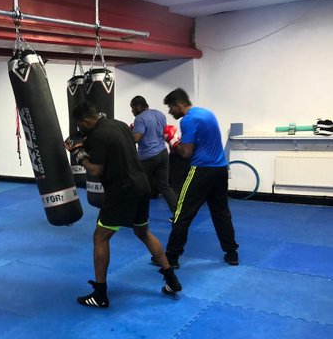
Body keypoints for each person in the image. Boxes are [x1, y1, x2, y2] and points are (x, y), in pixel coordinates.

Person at [65, 102, 181, 308]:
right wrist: (84, 144)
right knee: (143, 232)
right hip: (142, 185)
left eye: (80, 125)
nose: (80, 129)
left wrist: (79, 155)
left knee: (100, 237)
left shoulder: (99, 135)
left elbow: (95, 170)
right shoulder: (118, 125)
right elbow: (112, 147)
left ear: (84, 121)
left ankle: (100, 295)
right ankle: (171, 280)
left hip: (122, 191)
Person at [162, 88, 239, 269]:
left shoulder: (188, 120)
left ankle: (171, 257)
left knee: (182, 214)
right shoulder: (207, 113)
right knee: (221, 213)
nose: (170, 112)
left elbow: (186, 152)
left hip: (201, 171)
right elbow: (203, 141)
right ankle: (232, 253)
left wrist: (172, 141)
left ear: (178, 105)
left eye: (171, 108)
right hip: (220, 170)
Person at [130, 95, 178, 218]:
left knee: (135, 185)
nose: (132, 111)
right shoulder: (159, 114)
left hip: (148, 157)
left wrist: (128, 133)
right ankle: (179, 214)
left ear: (138, 106)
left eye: (133, 108)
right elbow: (163, 131)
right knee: (165, 186)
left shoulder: (140, 119)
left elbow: (136, 138)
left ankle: (131, 215)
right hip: (163, 153)